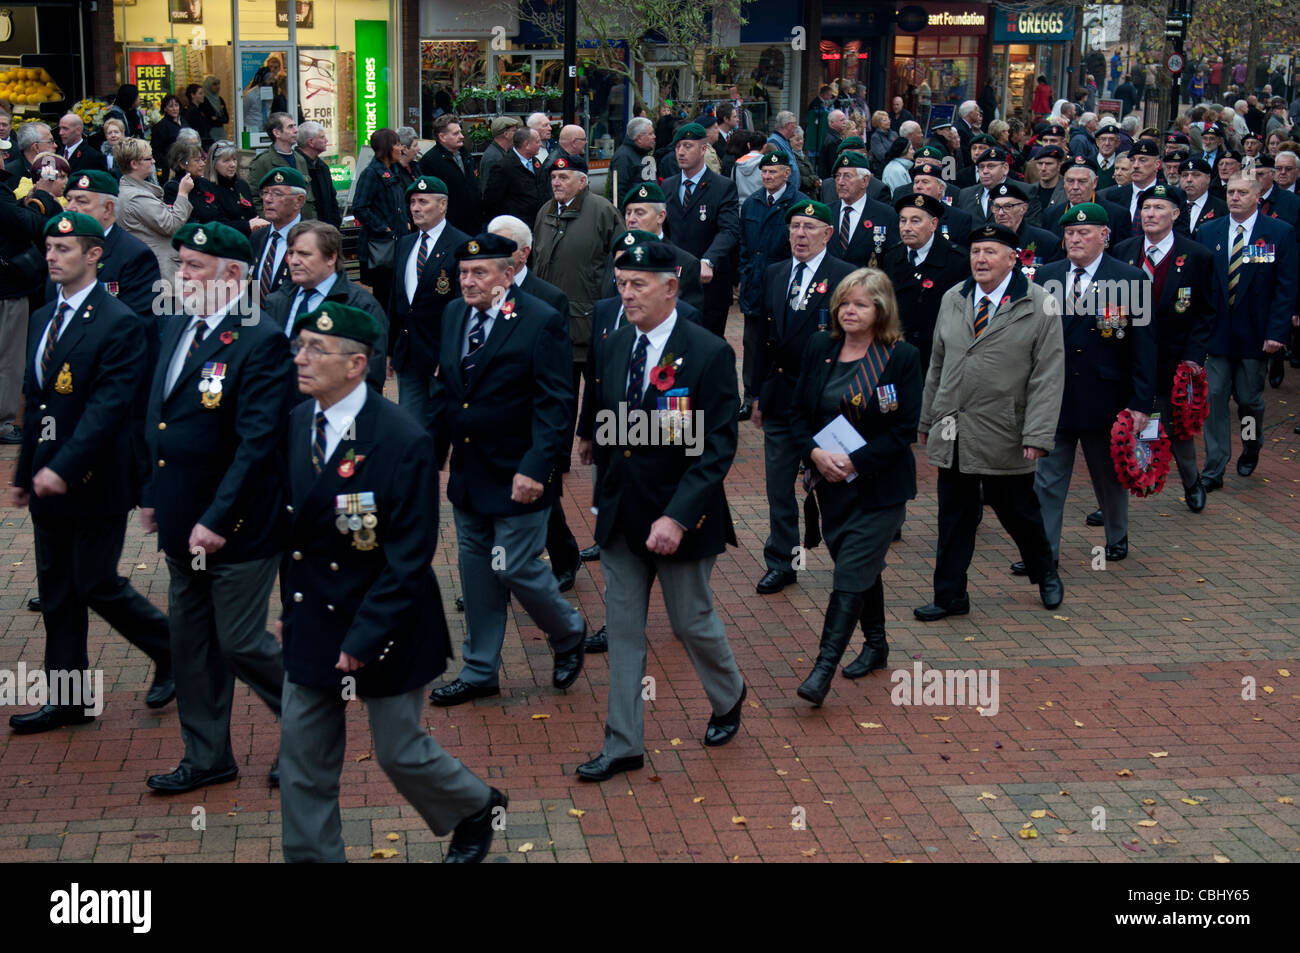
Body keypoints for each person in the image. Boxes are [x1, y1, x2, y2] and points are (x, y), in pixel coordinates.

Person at [277, 301, 504, 864]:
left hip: (388, 623)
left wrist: (361, 638)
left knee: (399, 752)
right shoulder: (297, 422)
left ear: (356, 365)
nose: (300, 360)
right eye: (299, 346)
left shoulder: (402, 438)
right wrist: (288, 605)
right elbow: (294, 529)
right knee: (302, 759)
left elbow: (408, 557)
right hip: (312, 617)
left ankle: (474, 808)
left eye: (316, 350)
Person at [573, 239, 746, 781]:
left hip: (681, 516)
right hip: (623, 515)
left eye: (638, 285)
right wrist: (604, 500)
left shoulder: (708, 352)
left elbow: (715, 448)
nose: (626, 294)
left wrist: (676, 516)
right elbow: (609, 425)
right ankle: (624, 743)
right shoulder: (615, 344)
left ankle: (729, 693)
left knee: (691, 621)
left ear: (671, 287)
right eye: (621, 284)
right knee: (623, 630)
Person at [7, 211, 173, 734]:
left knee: (96, 582)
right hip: (47, 478)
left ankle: (172, 650)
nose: (52, 258)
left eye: (64, 250)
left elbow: (109, 408)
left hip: (96, 477)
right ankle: (70, 698)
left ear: (94, 255)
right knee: (57, 590)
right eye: (49, 249)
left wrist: (64, 467)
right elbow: (35, 406)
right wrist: (22, 473)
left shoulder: (118, 321)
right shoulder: (41, 318)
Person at [143, 221, 294, 794]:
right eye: (180, 265)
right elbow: (159, 416)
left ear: (233, 274)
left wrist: (217, 518)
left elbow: (257, 443)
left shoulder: (261, 338)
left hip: (239, 525)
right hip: (184, 518)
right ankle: (207, 757)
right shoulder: (178, 325)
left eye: (193, 267)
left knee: (240, 641)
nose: (181, 276)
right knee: (192, 642)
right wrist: (153, 496)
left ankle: (308, 727)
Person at [428, 233, 588, 706]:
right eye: (463, 274)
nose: (468, 281)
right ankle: (480, 671)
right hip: (470, 472)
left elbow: (557, 403)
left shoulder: (540, 321)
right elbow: (447, 392)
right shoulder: (454, 315)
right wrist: (432, 456)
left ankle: (568, 629)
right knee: (477, 574)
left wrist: (537, 467)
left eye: (480, 273)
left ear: (508, 273)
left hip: (521, 472)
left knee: (514, 564)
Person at [915, 223, 1065, 620]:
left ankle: (1044, 571)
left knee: (1020, 513)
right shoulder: (954, 297)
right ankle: (949, 597)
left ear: (1013, 259)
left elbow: (1048, 376)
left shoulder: (1039, 304)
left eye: (990, 252)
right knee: (954, 518)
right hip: (955, 428)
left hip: (1006, 431)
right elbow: (937, 363)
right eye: (976, 251)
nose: (980, 259)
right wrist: (928, 416)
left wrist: (1037, 433)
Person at [789, 265, 920, 700]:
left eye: (860, 304)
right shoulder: (819, 347)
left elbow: (903, 430)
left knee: (848, 574)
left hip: (878, 487)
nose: (849, 310)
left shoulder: (901, 357)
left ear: (880, 310)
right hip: (830, 484)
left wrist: (853, 461)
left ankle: (822, 670)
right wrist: (814, 454)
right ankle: (877, 644)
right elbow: (796, 414)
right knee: (861, 567)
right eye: (844, 302)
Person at [1029, 202, 1155, 572]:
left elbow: (1144, 346)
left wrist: (1140, 403)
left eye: (1085, 232)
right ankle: (1044, 552)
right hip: (1057, 397)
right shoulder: (1046, 276)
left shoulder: (1130, 279)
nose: (1076, 239)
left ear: (1105, 236)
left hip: (1107, 398)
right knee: (1048, 481)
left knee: (1109, 476)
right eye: (1070, 233)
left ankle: (1116, 536)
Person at [751, 199, 856, 595]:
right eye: (795, 226)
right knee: (779, 489)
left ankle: (849, 562)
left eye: (809, 228)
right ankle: (785, 561)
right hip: (779, 400)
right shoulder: (776, 273)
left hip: (825, 404)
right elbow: (761, 339)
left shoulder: (844, 277)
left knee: (835, 487)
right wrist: (757, 393)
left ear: (827, 234)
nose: (800, 234)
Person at [1113, 183, 1219, 512]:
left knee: (1173, 429)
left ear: (1175, 214)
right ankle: (1112, 499)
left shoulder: (1196, 256)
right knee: (1121, 427)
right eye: (1146, 208)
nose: (1151, 214)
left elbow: (1206, 312)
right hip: (1126, 359)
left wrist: (1192, 357)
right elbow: (1111, 307)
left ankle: (1191, 482)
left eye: (1159, 208)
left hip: (1171, 362)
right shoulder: (1123, 251)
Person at [1197, 175, 1298, 485]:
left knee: (1248, 400)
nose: (1235, 197)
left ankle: (1251, 443)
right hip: (1217, 334)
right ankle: (1214, 467)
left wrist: (1277, 333)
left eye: (1242, 192)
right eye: (1231, 192)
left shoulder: (1279, 233)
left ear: (1258, 197)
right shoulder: (1208, 231)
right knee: (1213, 397)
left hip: (1256, 334)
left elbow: (1286, 287)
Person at [262, 220, 388, 391]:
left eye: (304, 254)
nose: (294, 261)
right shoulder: (277, 301)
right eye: (291, 253)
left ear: (331, 257)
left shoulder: (360, 306)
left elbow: (369, 377)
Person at [388, 175, 469, 430]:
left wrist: (451, 354)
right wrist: (391, 348)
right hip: (409, 352)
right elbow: (397, 298)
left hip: (440, 355)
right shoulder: (405, 243)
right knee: (409, 427)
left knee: (441, 429)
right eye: (412, 202)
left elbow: (463, 306)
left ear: (443, 205)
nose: (415, 208)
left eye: (423, 201)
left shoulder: (461, 245)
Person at [662, 123, 741, 337]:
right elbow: (664, 231)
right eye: (678, 147)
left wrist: (709, 260)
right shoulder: (668, 186)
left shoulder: (722, 187)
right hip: (674, 284)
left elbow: (729, 230)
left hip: (710, 286)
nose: (680, 152)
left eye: (687, 146)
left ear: (703, 149)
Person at [882, 192, 971, 375]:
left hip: (937, 355)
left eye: (915, 221)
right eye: (903, 221)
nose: (906, 227)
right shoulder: (892, 256)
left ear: (933, 224)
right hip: (897, 352)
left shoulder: (957, 261)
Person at [738, 152, 798, 420]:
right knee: (751, 345)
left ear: (787, 174)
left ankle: (776, 396)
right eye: (764, 172)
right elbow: (742, 245)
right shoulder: (751, 203)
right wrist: (744, 273)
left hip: (783, 287)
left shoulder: (797, 204)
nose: (767, 176)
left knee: (780, 344)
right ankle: (749, 397)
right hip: (754, 286)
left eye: (773, 172)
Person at [114, 137, 193, 284]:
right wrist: (183, 193)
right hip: (160, 273)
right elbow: (172, 225)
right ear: (134, 164)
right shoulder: (136, 197)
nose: (154, 161)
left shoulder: (131, 191)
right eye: (148, 158)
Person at [352, 129, 409, 321]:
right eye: (397, 143)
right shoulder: (371, 173)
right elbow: (360, 207)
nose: (401, 148)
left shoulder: (393, 171)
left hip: (398, 244)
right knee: (384, 297)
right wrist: (383, 228)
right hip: (381, 247)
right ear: (386, 147)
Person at [826, 150, 898, 267]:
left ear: (864, 180)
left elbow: (892, 260)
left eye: (847, 176)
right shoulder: (826, 213)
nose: (840, 182)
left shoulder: (885, 215)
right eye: (838, 176)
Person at [250, 166, 307, 308]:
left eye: (277, 194)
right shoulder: (257, 238)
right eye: (265, 193)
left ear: (299, 201)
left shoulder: (312, 239)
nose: (268, 199)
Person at [418, 115, 481, 236]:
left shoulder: (465, 155)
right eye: (455, 133)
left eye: (460, 132)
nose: (461, 136)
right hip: (449, 228)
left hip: (473, 226)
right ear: (442, 137)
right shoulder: (430, 161)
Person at [190, 139, 264, 236]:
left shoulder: (242, 185)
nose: (232, 165)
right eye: (226, 161)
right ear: (214, 164)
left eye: (234, 159)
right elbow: (213, 224)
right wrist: (246, 225)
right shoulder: (205, 187)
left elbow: (253, 215)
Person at [483, 125, 544, 225]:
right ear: (526, 144)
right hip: (515, 226)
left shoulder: (536, 162)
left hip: (536, 223)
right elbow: (492, 201)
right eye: (537, 141)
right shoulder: (503, 167)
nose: (540, 144)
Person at [248, 112, 305, 218]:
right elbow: (255, 197)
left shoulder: (300, 159)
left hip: (302, 223)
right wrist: (268, 222)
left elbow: (308, 195)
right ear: (277, 133)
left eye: (294, 126)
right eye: (290, 127)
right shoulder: (262, 162)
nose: (296, 130)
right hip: (278, 223)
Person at [296, 121, 341, 227]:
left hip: (326, 229)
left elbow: (332, 198)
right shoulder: (295, 165)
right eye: (322, 137)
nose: (326, 140)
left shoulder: (322, 167)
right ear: (310, 142)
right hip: (306, 229)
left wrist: (335, 223)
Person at [611, 116, 656, 207]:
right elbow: (619, 194)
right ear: (639, 138)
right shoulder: (623, 157)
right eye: (650, 134)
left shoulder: (643, 154)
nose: (654, 137)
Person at [476, 116, 522, 199]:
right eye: (514, 131)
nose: (517, 134)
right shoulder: (493, 158)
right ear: (506, 134)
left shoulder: (502, 153)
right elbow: (489, 192)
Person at [150, 95, 184, 183]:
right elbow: (155, 150)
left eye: (176, 105)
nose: (174, 109)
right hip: (169, 168)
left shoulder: (183, 122)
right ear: (165, 108)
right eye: (171, 106)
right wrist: (167, 165)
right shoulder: (161, 127)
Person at [162, 140, 205, 205]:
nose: (203, 164)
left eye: (202, 159)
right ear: (183, 164)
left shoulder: (205, 183)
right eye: (197, 160)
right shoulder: (172, 188)